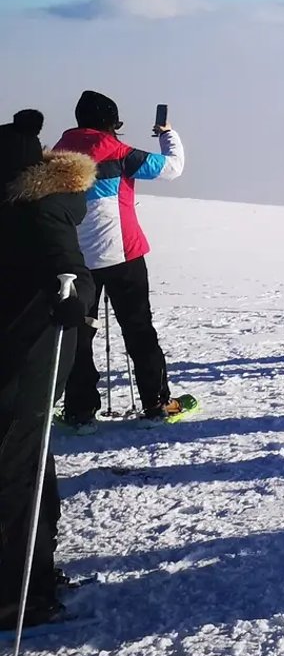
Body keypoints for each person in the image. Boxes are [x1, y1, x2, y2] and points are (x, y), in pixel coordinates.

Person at [0, 123, 94, 628]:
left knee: (22, 468)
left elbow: (65, 260)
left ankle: (24, 590)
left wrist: (71, 291)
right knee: (25, 466)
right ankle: (25, 587)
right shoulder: (29, 203)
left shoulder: (40, 207)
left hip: (31, 353)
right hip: (23, 357)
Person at [53, 91, 189, 424]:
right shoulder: (119, 151)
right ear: (110, 123)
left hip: (75, 261)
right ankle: (156, 404)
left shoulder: (56, 155)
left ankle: (79, 414)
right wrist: (167, 133)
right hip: (123, 254)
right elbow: (173, 168)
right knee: (139, 329)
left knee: (79, 336)